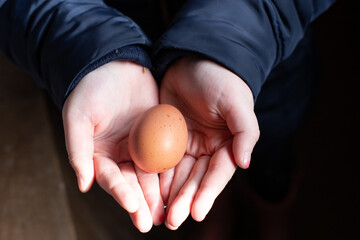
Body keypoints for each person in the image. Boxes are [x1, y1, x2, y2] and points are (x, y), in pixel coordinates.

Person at [0, 0, 336, 234]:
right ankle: (217, 211)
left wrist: (233, 41)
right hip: (123, 41)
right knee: (204, 171)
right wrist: (87, 46)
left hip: (261, 67)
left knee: (267, 156)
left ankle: (272, 212)